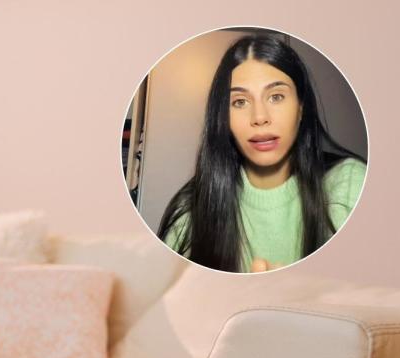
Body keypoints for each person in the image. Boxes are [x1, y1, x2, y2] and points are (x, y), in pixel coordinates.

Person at [157, 34, 367, 273]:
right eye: (240, 102)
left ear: (301, 108)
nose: (259, 117)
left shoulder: (349, 186)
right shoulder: (190, 211)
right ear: (223, 117)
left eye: (276, 97)